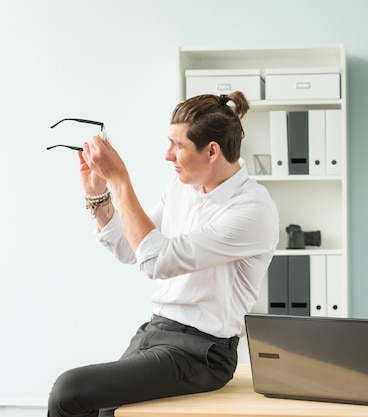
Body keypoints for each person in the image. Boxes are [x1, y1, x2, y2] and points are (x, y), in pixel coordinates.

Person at [47, 91, 280, 417]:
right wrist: (97, 194)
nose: (167, 154)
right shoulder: (181, 188)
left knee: (68, 391)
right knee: (103, 409)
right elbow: (131, 249)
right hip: (156, 330)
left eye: (177, 144)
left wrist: (120, 179)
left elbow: (159, 261)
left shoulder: (252, 210)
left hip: (203, 352)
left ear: (212, 151)